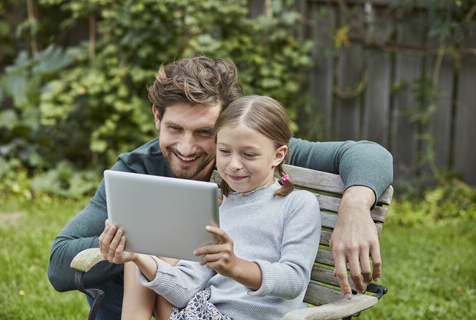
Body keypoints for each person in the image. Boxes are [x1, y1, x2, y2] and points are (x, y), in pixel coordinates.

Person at [47, 55, 393, 319]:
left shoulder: (253, 154)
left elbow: (367, 154)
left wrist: (356, 204)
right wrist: (144, 244)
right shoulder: (138, 169)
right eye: (174, 129)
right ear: (156, 117)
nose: (185, 148)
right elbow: (60, 263)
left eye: (204, 133)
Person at [99, 95, 322, 320]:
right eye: (224, 152)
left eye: (249, 154)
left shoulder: (298, 204)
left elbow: (294, 280)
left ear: (278, 155)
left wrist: (235, 266)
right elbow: (184, 290)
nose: (234, 164)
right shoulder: (218, 209)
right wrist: (137, 256)